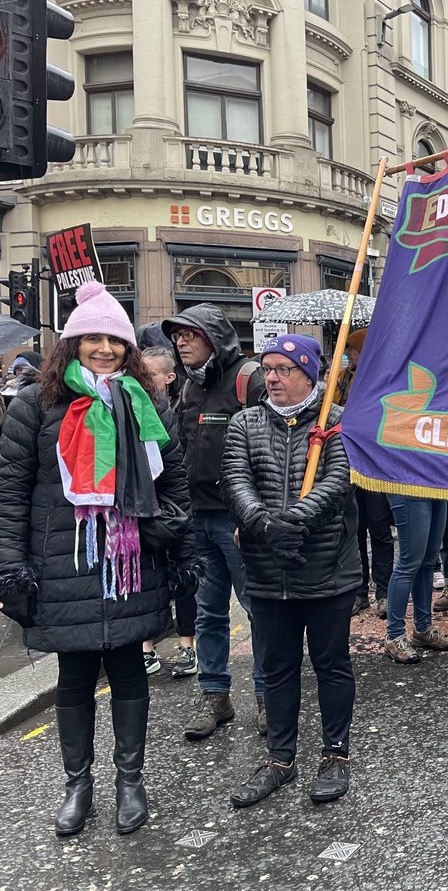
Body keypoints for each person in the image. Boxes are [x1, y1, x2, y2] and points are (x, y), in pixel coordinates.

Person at [0, 282, 191, 836]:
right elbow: (12, 491)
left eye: (114, 339)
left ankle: (130, 781)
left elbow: (173, 480)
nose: (103, 348)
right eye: (92, 337)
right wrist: (11, 566)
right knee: (75, 673)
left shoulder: (144, 401)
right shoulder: (36, 403)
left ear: (127, 348)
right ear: (73, 342)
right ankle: (77, 784)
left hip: (133, 559)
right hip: (65, 560)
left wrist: (169, 533)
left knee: (131, 668)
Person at [221, 334, 361, 807]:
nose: (273, 377)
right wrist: (263, 524)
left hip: (325, 568)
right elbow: (236, 479)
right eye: (268, 367)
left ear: (310, 373)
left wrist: (296, 519)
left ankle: (335, 754)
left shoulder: (336, 421)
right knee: (276, 667)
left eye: (284, 368)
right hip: (266, 569)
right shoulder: (245, 422)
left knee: (331, 664)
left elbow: (339, 480)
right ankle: (280, 759)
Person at [162, 304, 267, 741]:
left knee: (257, 610)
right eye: (178, 336)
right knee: (207, 613)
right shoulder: (188, 385)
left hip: (237, 520)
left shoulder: (249, 378)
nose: (181, 342)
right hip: (197, 517)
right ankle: (216, 697)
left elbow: (269, 449)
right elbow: (183, 448)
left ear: (215, 336)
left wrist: (256, 513)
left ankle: (266, 697)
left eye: (191, 334)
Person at [137, 346, 198, 680]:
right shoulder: (131, 405)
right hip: (147, 509)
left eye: (148, 373)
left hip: (180, 504)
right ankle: (146, 650)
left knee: (185, 577)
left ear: (168, 377)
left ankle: (187, 645)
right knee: (148, 580)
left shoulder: (184, 406)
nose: (141, 378)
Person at [332, 328, 394, 619]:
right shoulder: (340, 379)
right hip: (346, 464)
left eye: (352, 350)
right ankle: (359, 591)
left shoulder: (381, 378)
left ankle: (383, 592)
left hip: (375, 466)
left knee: (380, 531)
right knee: (353, 531)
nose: (347, 355)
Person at [379, 491, 448, 664]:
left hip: (435, 484)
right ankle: (394, 635)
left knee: (428, 562)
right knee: (409, 563)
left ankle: (423, 628)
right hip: (408, 485)